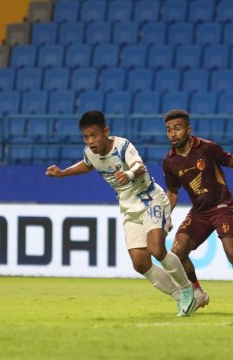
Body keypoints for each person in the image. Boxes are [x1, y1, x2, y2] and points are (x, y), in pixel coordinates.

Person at [46, 110, 196, 317]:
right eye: (86, 136)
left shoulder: (123, 146)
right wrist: (63, 173)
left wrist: (128, 173)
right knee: (140, 263)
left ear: (105, 131)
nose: (91, 141)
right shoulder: (90, 153)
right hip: (129, 208)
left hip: (150, 200)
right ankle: (180, 297)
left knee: (156, 249)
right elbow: (88, 164)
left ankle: (188, 289)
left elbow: (139, 166)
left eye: (94, 135)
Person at [161, 109, 233, 314]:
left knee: (232, 251)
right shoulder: (170, 162)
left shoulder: (207, 148)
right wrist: (165, 216)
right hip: (199, 211)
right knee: (177, 252)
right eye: (169, 130)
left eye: (178, 128)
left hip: (221, 206)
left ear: (188, 129)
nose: (173, 134)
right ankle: (198, 293)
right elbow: (172, 193)